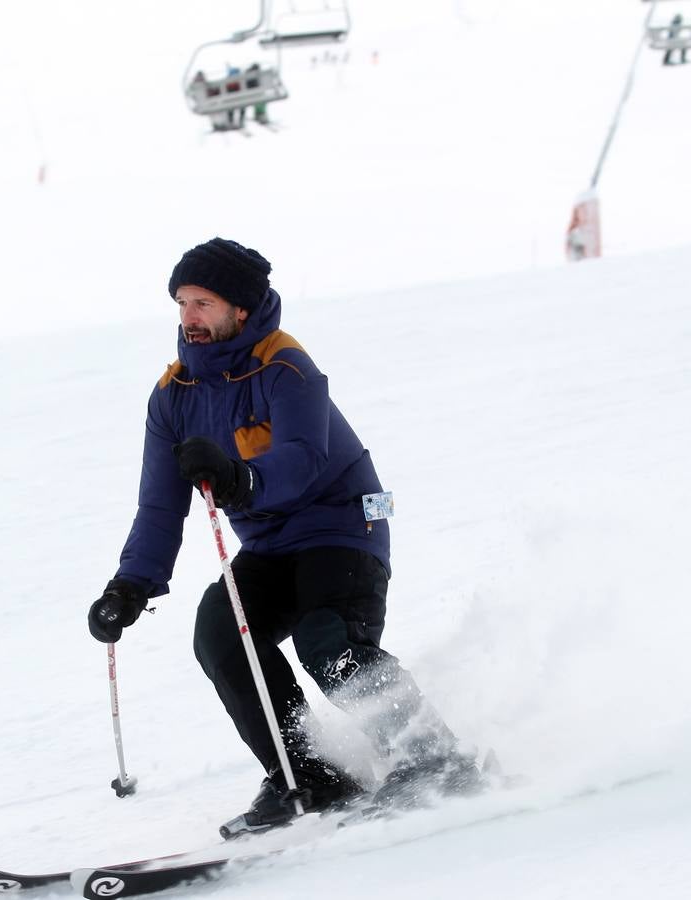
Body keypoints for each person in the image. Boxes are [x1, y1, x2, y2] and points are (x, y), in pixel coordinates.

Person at [88, 238, 481, 837]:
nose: (189, 317)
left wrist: (240, 479)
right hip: (270, 546)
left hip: (344, 524)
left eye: (203, 303)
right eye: (182, 303)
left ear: (239, 310)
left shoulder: (287, 367)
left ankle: (435, 760)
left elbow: (301, 459)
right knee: (222, 636)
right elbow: (159, 506)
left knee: (329, 642)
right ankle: (308, 777)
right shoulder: (173, 397)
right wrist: (130, 586)